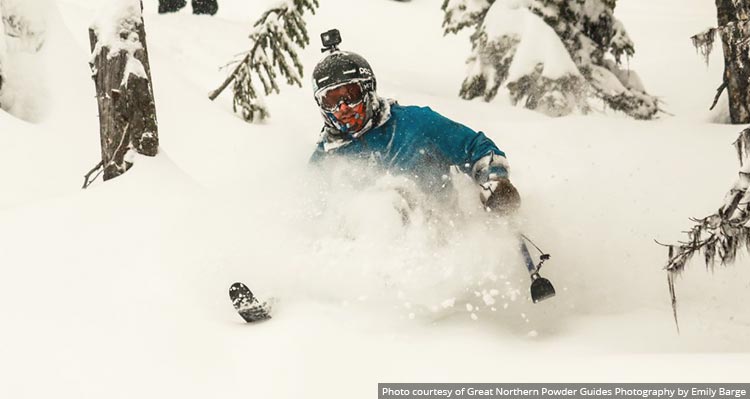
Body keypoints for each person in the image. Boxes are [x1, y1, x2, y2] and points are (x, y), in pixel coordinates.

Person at [308, 42, 521, 216]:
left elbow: (475, 147)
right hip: (374, 256)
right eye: (331, 101)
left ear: (368, 89)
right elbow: (316, 215)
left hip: (446, 236)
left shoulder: (414, 123)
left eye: (350, 96)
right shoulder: (326, 158)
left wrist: (495, 181)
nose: (343, 107)